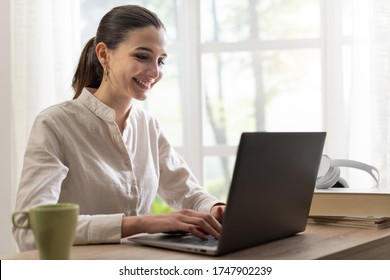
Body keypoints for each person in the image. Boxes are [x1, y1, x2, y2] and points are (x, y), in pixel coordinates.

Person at [13, 4, 225, 252]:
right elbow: (29, 230)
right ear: (104, 54)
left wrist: (216, 209)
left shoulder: (147, 125)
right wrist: (141, 224)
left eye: (161, 61)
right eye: (142, 56)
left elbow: (190, 194)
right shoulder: (55, 124)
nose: (155, 72)